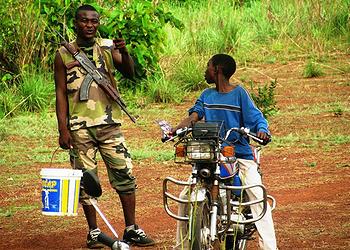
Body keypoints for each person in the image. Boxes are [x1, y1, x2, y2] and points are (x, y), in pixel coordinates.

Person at [54, 4, 155, 249]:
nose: (89, 25)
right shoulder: (63, 53)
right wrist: (63, 129)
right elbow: (59, 92)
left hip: (110, 124)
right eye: (84, 21)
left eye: (94, 21)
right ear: (76, 23)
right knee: (86, 181)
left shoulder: (108, 47)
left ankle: (131, 228)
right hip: (79, 127)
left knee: (125, 175)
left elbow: (129, 72)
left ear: (98, 23)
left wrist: (125, 51)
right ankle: (94, 232)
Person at [172, 54, 277, 250]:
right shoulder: (206, 95)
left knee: (257, 195)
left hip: (239, 155)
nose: (205, 71)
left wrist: (262, 131)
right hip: (212, 154)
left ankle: (269, 247)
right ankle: (181, 247)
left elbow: (257, 118)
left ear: (218, 70)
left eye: (208, 67)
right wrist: (176, 129)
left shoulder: (239, 94)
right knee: (185, 197)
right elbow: (194, 115)